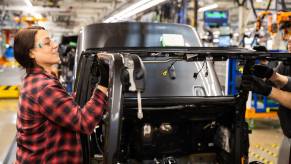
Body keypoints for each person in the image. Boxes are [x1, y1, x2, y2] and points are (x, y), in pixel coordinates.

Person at [13, 26, 109, 163]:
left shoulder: (36, 80)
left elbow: (63, 107)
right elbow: (85, 122)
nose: (55, 45)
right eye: (47, 43)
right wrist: (103, 85)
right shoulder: (45, 88)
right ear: (31, 53)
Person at [242, 37, 291, 164]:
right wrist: (266, 63)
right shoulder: (287, 63)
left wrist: (267, 90)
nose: (289, 45)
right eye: (289, 42)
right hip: (288, 134)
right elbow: (276, 80)